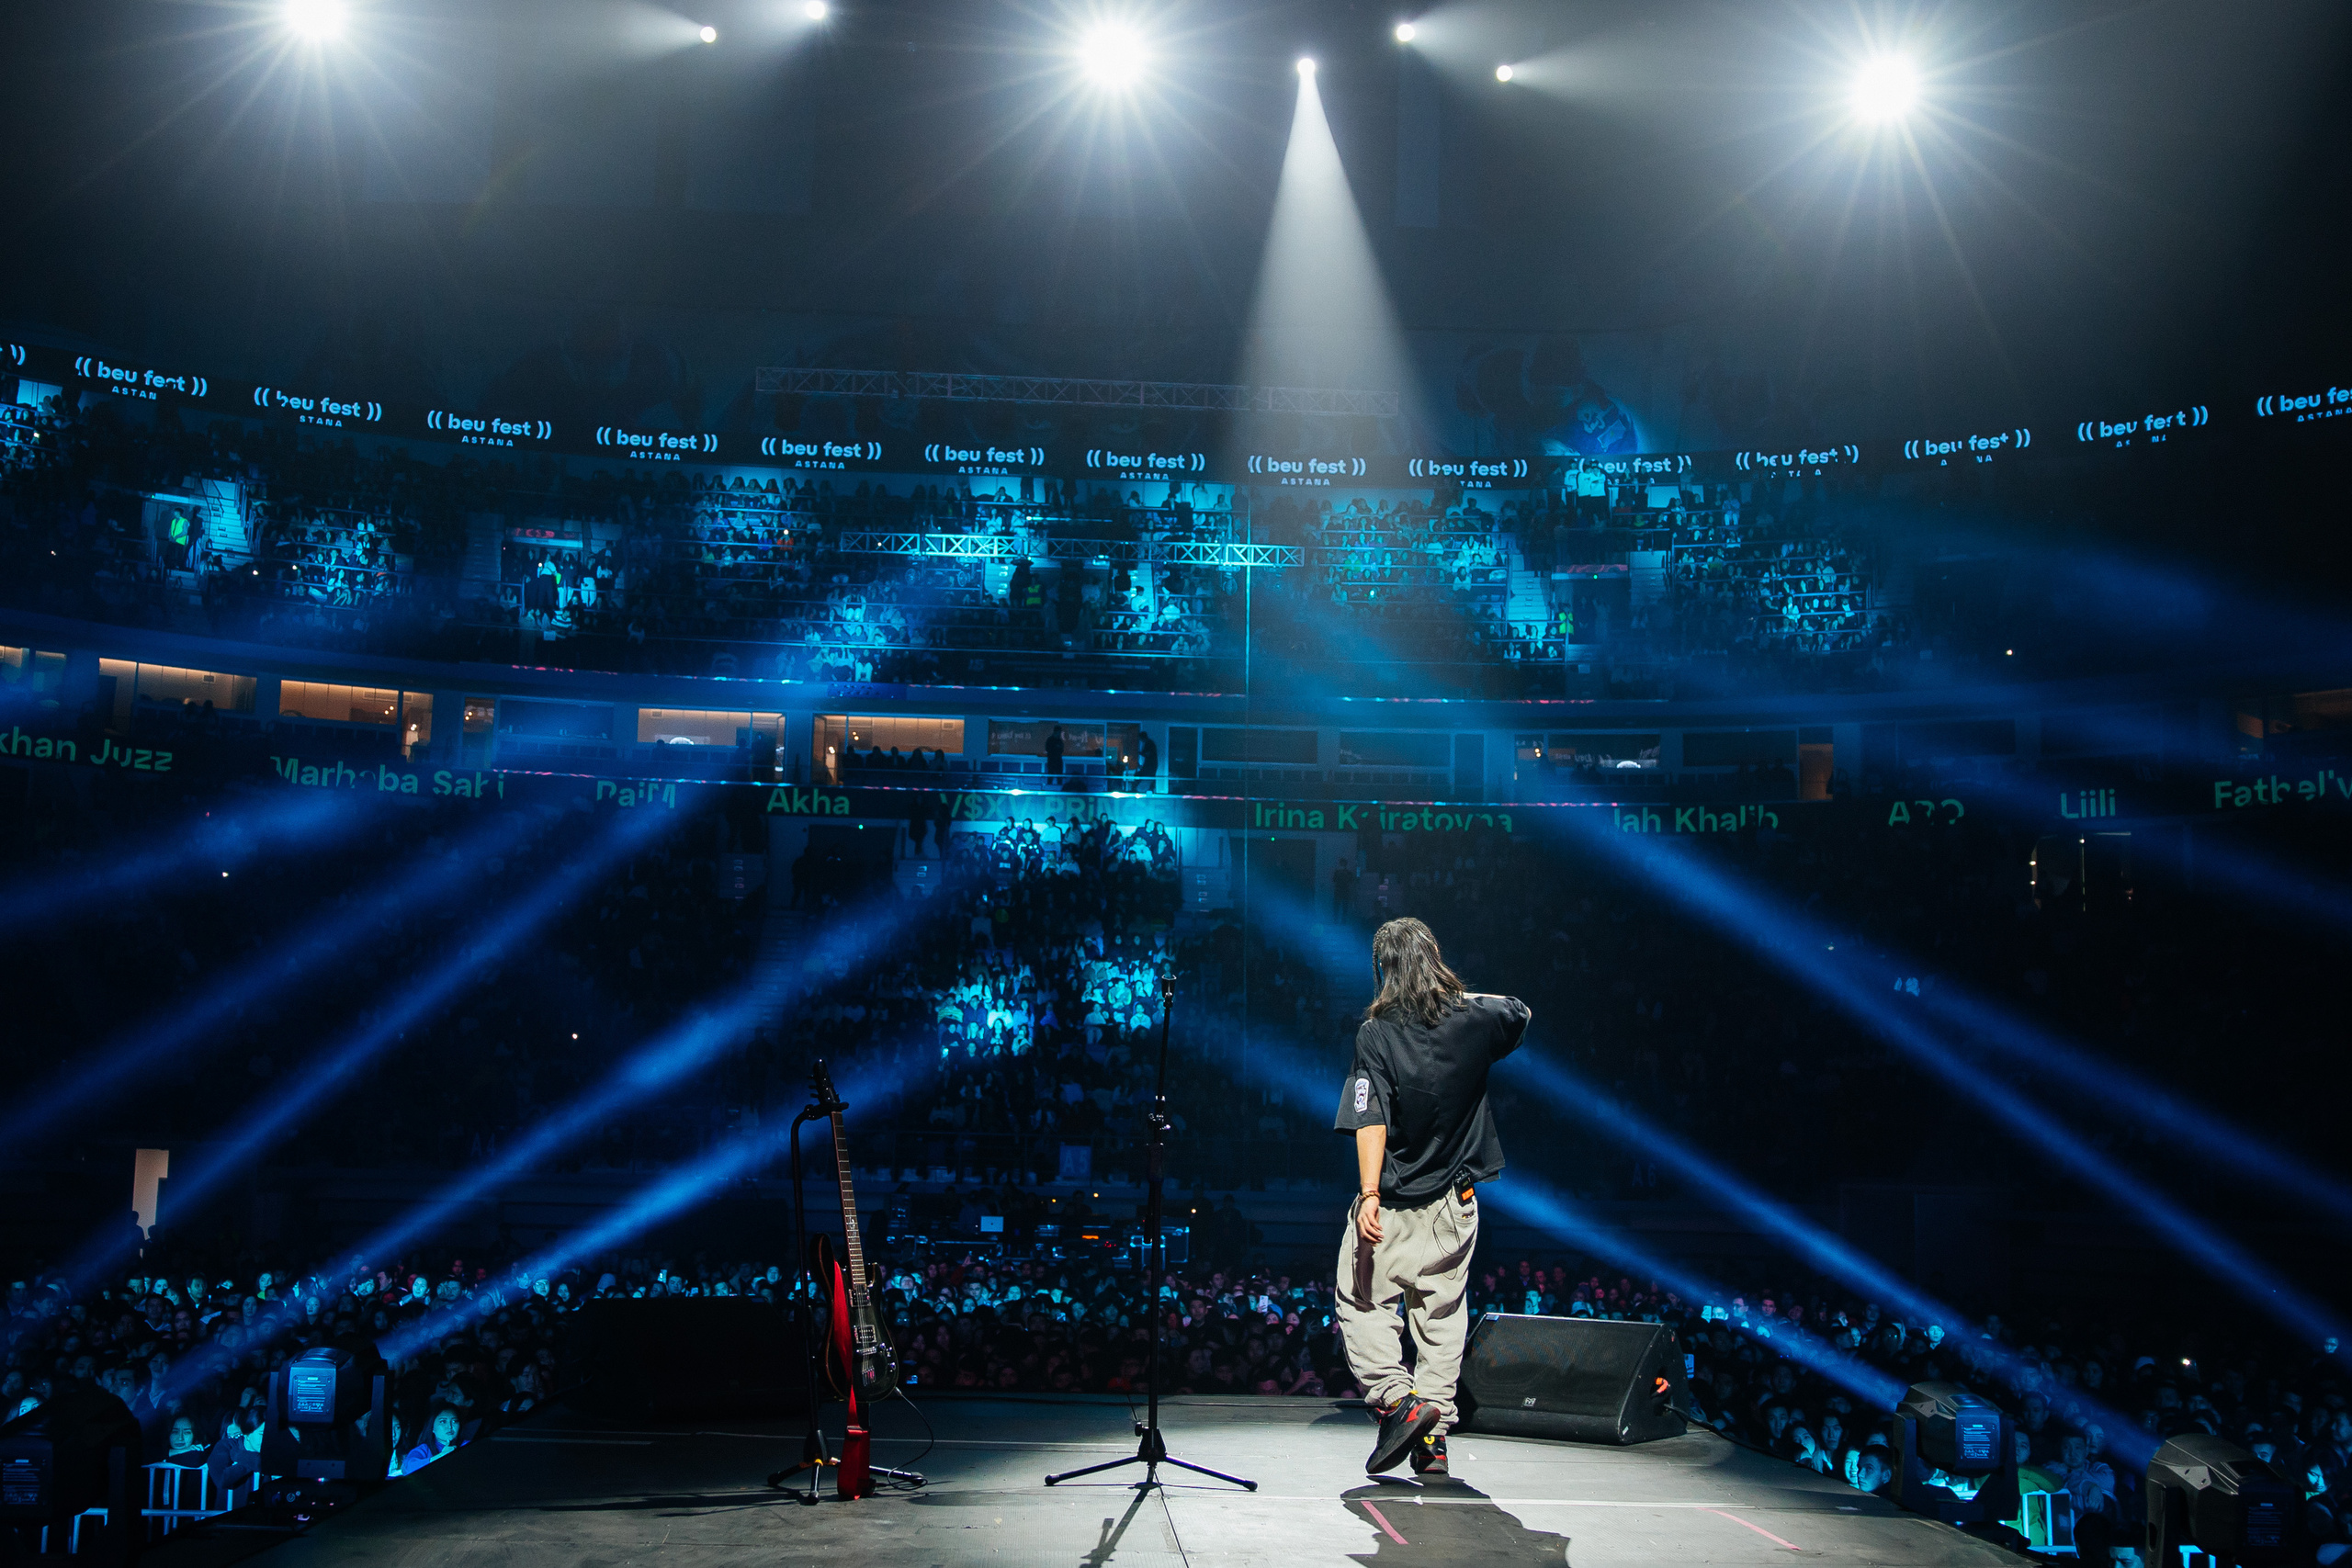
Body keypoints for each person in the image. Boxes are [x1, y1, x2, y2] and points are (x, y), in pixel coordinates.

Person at [1331, 917, 1531, 1478]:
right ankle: (1434, 1442)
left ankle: (1400, 1402)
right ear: (1434, 959)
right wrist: (1455, 995)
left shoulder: (1375, 1032)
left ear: (1382, 970)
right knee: (1441, 1315)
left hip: (1394, 1203)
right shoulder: (1476, 1019)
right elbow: (1519, 1010)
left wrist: (1368, 1193)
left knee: (1363, 1302)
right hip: (1455, 1205)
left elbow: (1369, 1117)